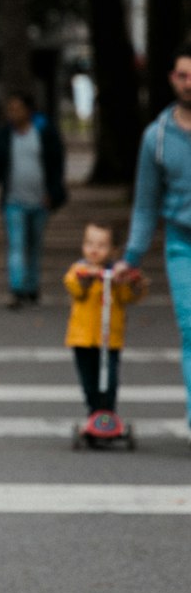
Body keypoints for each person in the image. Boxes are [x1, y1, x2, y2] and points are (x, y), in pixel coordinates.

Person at [114, 44, 191, 435]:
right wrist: (132, 256)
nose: (189, 83)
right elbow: (145, 205)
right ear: (172, 79)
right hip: (182, 245)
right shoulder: (156, 138)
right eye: (183, 75)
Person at [0, 89, 67, 308]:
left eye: (17, 108)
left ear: (28, 111)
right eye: (10, 109)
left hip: (40, 200)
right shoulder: (4, 135)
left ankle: (31, 287)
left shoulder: (44, 133)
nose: (13, 113)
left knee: (34, 245)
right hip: (13, 201)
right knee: (17, 245)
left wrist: (53, 192)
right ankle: (17, 288)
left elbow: (56, 166)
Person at [64, 222, 146, 417]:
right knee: (89, 380)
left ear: (113, 250)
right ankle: (94, 411)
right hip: (83, 338)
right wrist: (86, 279)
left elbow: (129, 297)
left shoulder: (115, 273)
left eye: (101, 245)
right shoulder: (79, 268)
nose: (94, 249)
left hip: (110, 338)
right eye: (89, 243)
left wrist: (133, 282)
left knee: (109, 380)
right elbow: (73, 286)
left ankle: (108, 412)